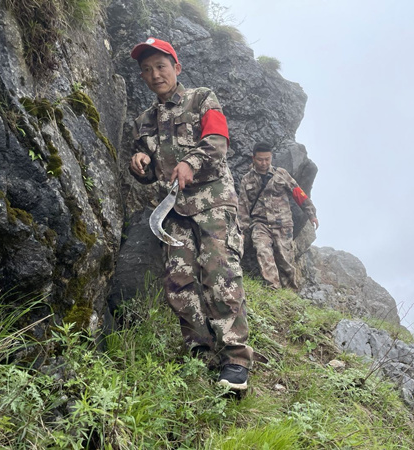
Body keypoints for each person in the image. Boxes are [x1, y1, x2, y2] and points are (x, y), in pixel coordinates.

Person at [128, 37, 252, 390]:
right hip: (173, 211)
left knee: (219, 272)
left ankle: (235, 359)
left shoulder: (202, 98)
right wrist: (141, 163)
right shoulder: (143, 121)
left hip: (213, 201)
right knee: (178, 282)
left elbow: (217, 140)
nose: (155, 74)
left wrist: (191, 162)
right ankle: (200, 352)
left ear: (176, 68)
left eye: (161, 66)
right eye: (147, 69)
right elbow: (148, 171)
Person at [238, 142, 319, 290]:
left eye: (267, 159)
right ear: (253, 158)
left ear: (271, 157)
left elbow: (298, 193)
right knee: (263, 252)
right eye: (260, 159)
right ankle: (273, 288)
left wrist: (311, 214)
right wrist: (242, 231)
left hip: (283, 224)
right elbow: (243, 207)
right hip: (260, 224)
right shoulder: (247, 180)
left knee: (285, 260)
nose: (264, 163)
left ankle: (290, 292)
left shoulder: (281, 174)